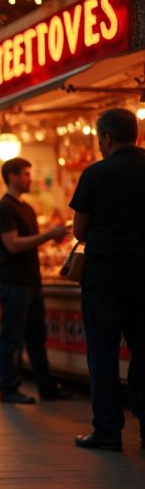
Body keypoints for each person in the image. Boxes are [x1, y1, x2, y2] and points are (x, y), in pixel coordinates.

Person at [69, 108, 145, 450]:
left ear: (107, 138)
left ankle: (108, 430)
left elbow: (79, 230)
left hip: (103, 278)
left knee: (103, 353)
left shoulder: (95, 173)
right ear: (137, 135)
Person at [0, 157, 73, 404]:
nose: (31, 179)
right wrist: (48, 235)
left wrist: (51, 238)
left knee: (37, 336)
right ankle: (8, 388)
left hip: (31, 279)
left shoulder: (26, 207)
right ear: (13, 177)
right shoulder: (4, 208)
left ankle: (46, 385)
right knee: (12, 337)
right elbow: (12, 244)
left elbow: (28, 243)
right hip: (13, 281)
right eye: (26, 174)